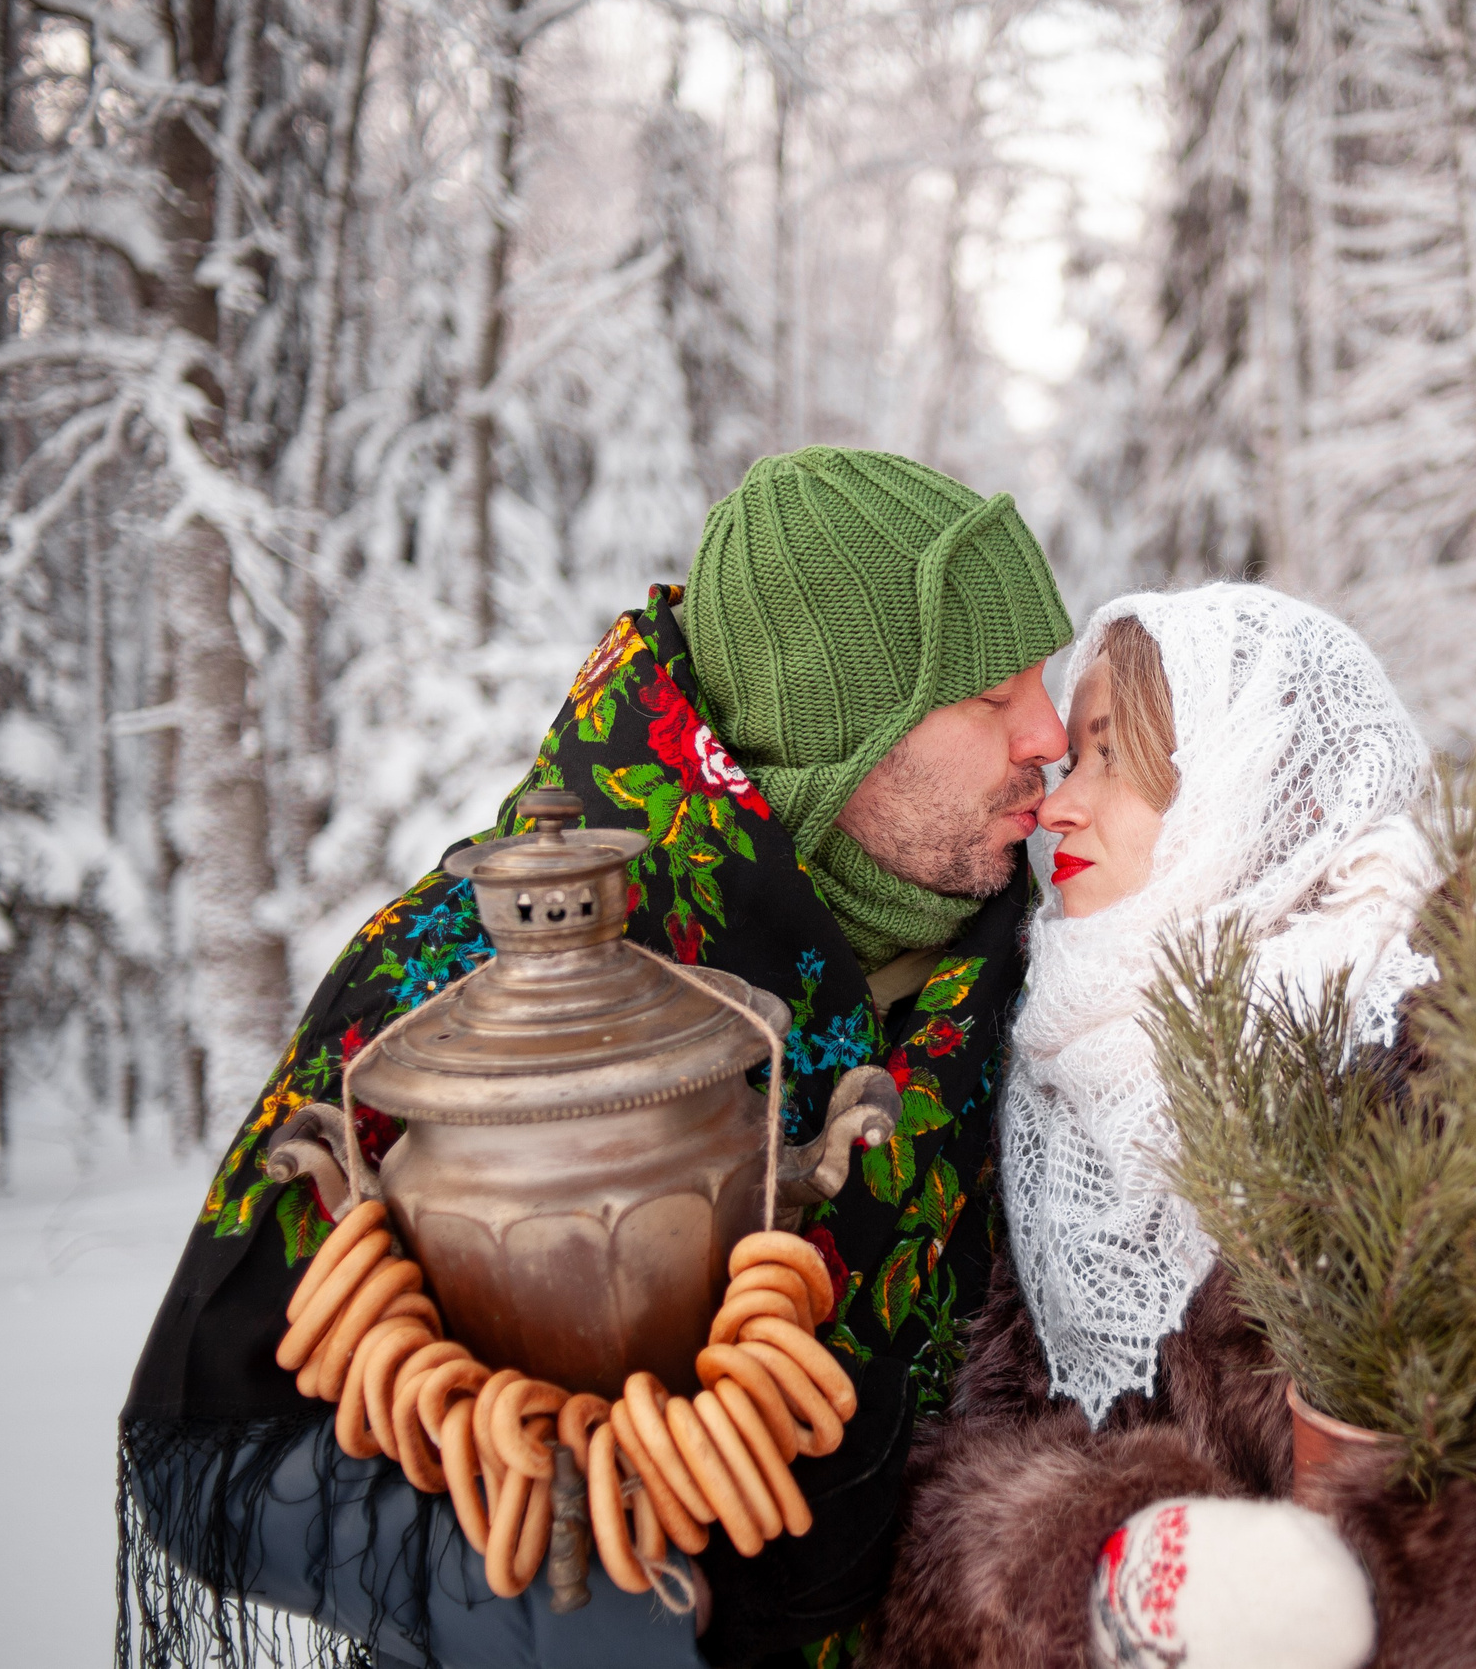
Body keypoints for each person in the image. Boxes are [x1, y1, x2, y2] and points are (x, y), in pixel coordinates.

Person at [120, 447, 1073, 1669]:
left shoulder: (1048, 946)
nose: (1047, 732)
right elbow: (205, 1448)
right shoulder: (467, 974)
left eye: (1037, 679)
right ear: (838, 725)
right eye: (992, 699)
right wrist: (606, 1600)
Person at [870, 584, 1476, 1669]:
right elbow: (967, 1519)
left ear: (1258, 782)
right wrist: (1117, 1560)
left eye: (1110, 754)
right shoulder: (1064, 1121)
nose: (1057, 804)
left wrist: (1324, 1599)